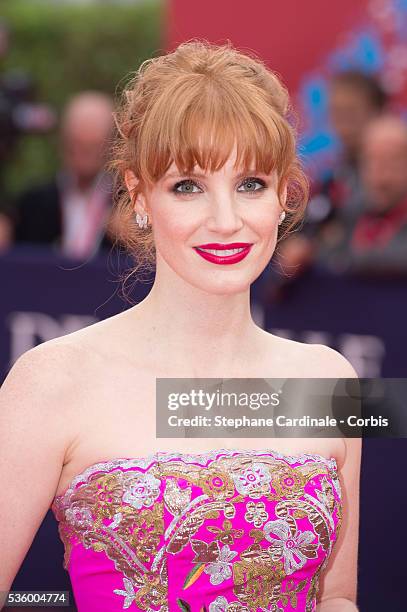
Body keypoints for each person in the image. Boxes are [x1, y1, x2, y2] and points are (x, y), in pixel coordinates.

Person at [0, 41, 360, 611]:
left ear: (284, 195)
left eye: (251, 185)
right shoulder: (51, 381)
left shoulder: (330, 381)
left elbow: (336, 599)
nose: (226, 221)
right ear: (139, 194)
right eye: (188, 186)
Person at [12, 91, 115, 260]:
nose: (83, 155)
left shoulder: (129, 206)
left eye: (92, 147)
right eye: (76, 145)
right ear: (63, 141)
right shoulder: (32, 204)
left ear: (111, 145)